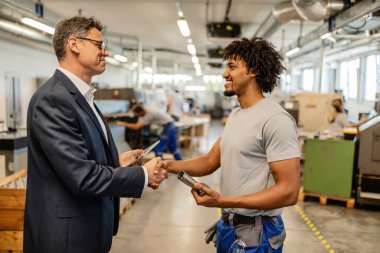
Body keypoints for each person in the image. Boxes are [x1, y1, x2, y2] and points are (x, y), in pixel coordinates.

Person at [24, 16, 167, 253]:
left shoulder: (83, 98)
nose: (106, 52)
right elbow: (82, 177)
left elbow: (79, 160)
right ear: (74, 44)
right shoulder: (53, 100)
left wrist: (117, 163)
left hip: (87, 232)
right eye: (99, 45)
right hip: (65, 241)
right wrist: (142, 175)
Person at [167, 38, 300, 253]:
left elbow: (289, 191)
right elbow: (210, 161)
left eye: (232, 67)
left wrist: (223, 200)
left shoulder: (275, 119)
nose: (224, 74)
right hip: (229, 226)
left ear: (253, 71)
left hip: (258, 232)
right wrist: (167, 167)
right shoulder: (237, 115)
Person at [117, 104, 182, 160]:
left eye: (137, 114)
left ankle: (159, 166)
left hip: (168, 127)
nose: (137, 116)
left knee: (158, 149)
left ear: (140, 112)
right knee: (173, 148)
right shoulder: (144, 111)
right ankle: (180, 164)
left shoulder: (149, 114)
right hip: (170, 125)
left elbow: (136, 126)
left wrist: (123, 124)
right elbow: (140, 120)